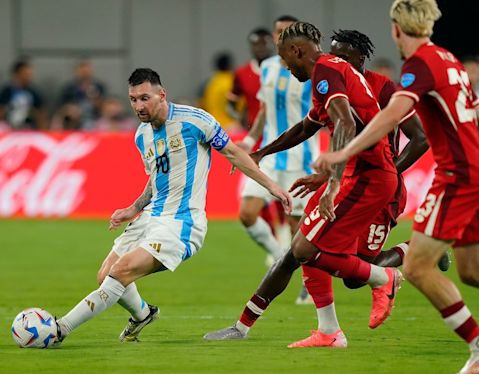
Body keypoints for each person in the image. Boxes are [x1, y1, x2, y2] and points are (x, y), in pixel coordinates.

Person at [313, 0, 479, 374]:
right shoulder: (449, 59)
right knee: (476, 272)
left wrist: (346, 150)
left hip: (459, 174)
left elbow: (393, 115)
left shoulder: (419, 65)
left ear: (395, 29)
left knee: (418, 267)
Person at [53, 68, 292, 344]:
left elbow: (233, 153)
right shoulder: (141, 136)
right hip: (151, 216)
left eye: (144, 98)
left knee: (120, 272)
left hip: (182, 223)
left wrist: (271, 186)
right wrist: (134, 208)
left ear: (161, 94)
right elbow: (156, 179)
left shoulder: (195, 121)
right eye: (133, 99)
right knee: (105, 274)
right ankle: (143, 314)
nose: (138, 106)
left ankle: (61, 329)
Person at [204, 22, 403, 342]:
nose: (284, 65)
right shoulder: (329, 71)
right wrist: (262, 153)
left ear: (297, 51)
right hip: (355, 172)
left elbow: (346, 123)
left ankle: (383, 276)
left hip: (368, 177)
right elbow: (307, 126)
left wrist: (333, 182)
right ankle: (318, 330)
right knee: (298, 251)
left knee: (308, 250)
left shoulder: (326, 71)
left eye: (284, 58)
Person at [285, 28, 445, 348]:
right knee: (333, 257)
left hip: (378, 185)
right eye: (332, 54)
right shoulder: (332, 81)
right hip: (351, 181)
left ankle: (418, 249)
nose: (335, 59)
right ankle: (329, 329)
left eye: (343, 55)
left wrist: (389, 171)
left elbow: (421, 138)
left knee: (355, 274)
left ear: (361, 57)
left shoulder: (384, 87)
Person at [236, 15, 320, 303]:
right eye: (278, 32)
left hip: (302, 157)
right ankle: (277, 255)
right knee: (247, 213)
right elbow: (263, 110)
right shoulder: (268, 68)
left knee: (300, 231)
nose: (280, 36)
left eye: (286, 32)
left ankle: (309, 285)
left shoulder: (310, 69)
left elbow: (322, 114)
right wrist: (249, 140)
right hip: (270, 156)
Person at [227, 27, 274, 130]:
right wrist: (240, 118)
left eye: (264, 44)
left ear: (272, 45)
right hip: (253, 131)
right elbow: (232, 100)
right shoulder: (242, 73)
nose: (260, 48)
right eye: (256, 44)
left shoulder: (284, 70)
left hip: (281, 131)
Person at [0, 59, 47, 130]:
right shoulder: (7, 92)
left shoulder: (34, 93)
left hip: (29, 128)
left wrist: (32, 112)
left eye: (29, 74)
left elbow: (41, 115)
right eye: (25, 74)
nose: (28, 77)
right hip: (9, 127)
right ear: (17, 74)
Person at [59, 59, 106, 129]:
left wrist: (95, 99)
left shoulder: (99, 87)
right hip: (74, 119)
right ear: (76, 72)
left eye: (86, 71)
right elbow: (62, 107)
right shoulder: (69, 89)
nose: (85, 74)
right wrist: (71, 110)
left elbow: (104, 106)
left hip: (94, 118)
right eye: (82, 71)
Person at [199, 52, 240, 132]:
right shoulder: (233, 81)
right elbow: (240, 106)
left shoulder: (209, 82)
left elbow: (201, 104)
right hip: (231, 127)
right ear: (230, 65)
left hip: (211, 126)